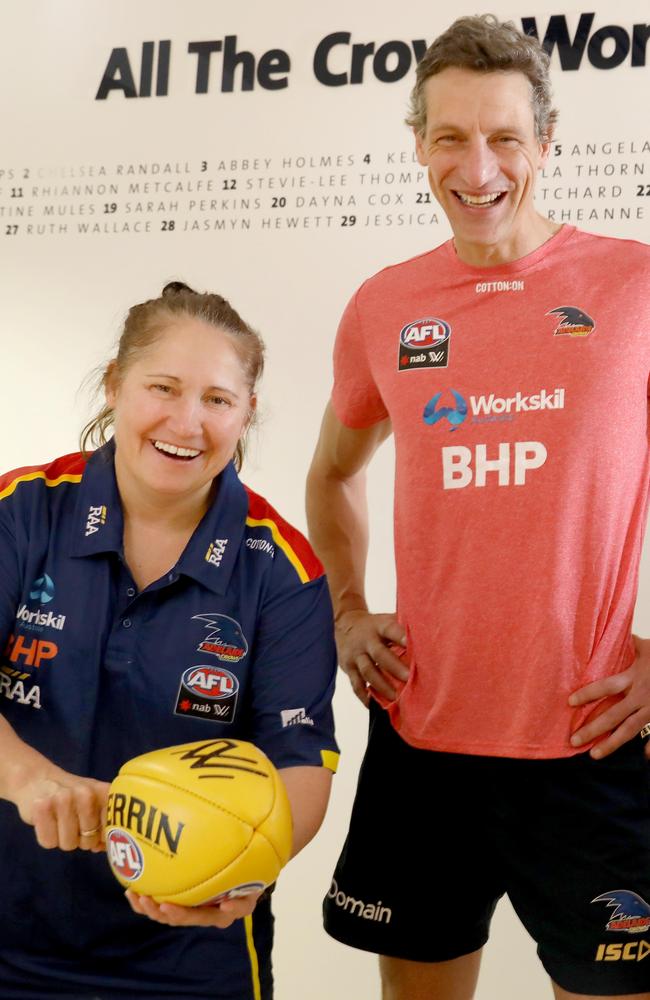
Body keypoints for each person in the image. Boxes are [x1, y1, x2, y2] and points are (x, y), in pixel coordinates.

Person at [307, 14, 650, 1000]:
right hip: (424, 738)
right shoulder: (385, 304)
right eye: (449, 136)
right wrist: (344, 605)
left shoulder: (629, 287)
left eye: (504, 137)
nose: (478, 165)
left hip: (590, 739)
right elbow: (331, 473)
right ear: (416, 144)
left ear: (545, 143)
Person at [0, 282, 339, 1000]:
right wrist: (28, 777)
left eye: (218, 399)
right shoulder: (21, 513)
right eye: (163, 387)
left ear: (247, 412)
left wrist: (249, 865)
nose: (187, 422)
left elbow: (300, 760)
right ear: (117, 385)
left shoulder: (283, 567)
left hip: (191, 953)